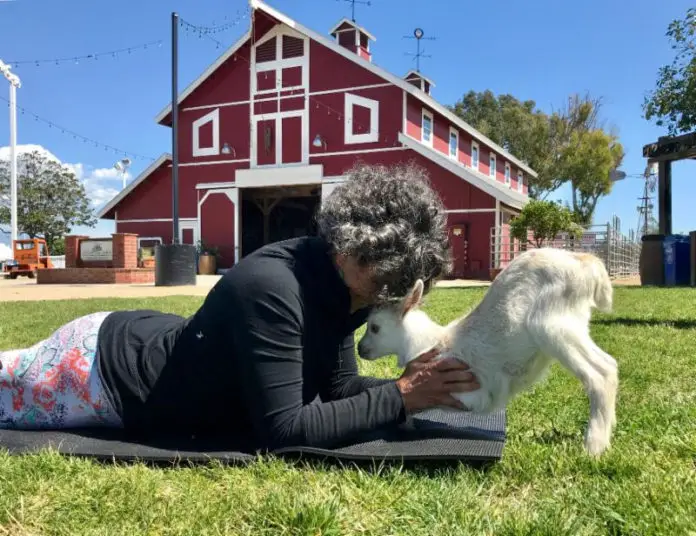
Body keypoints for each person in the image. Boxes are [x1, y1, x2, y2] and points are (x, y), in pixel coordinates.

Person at [0, 162, 479, 451]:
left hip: (155, 341)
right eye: (383, 284)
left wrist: (412, 386)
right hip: (97, 371)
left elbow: (336, 388)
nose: (384, 298)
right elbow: (285, 430)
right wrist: (401, 396)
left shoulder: (339, 285)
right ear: (351, 251)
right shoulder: (273, 287)